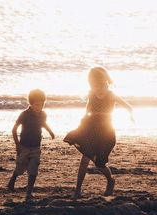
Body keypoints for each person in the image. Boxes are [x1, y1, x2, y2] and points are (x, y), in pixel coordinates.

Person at [64, 66, 134, 199]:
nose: (94, 85)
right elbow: (88, 108)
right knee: (85, 158)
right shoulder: (91, 93)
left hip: (105, 130)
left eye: (95, 81)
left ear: (102, 80)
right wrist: (84, 118)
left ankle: (110, 180)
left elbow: (128, 106)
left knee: (99, 163)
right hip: (90, 127)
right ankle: (77, 190)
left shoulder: (111, 94)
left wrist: (131, 116)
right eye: (91, 82)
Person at [7, 89, 55, 201]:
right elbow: (14, 130)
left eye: (42, 104)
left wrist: (50, 131)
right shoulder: (24, 115)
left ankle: (29, 192)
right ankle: (12, 180)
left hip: (36, 147)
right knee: (20, 168)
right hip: (24, 146)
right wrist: (17, 145)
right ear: (31, 103)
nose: (40, 107)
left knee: (33, 169)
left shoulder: (43, 114)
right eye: (37, 105)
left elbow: (43, 123)